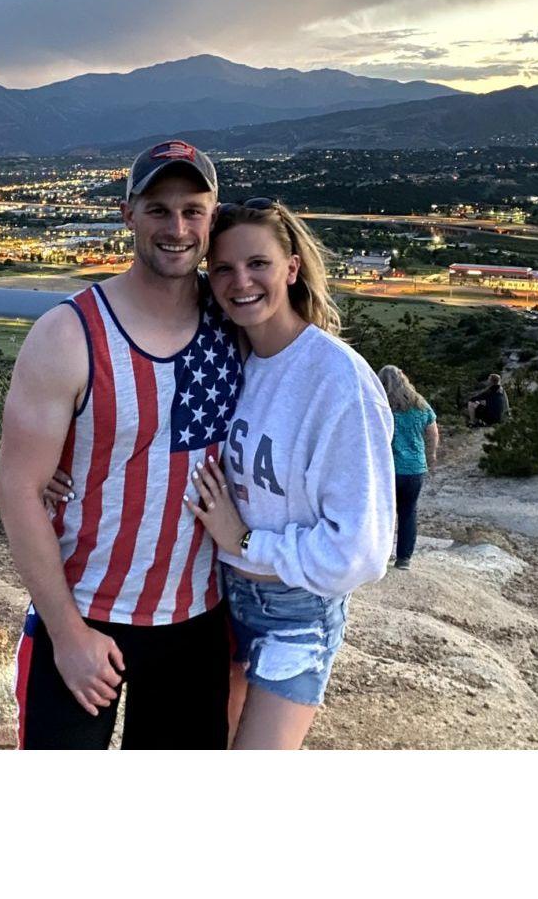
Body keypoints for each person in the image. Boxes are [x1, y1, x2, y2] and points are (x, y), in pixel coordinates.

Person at [0, 139, 241, 750]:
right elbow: (19, 489)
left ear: (212, 217)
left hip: (198, 618)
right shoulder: (68, 334)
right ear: (127, 214)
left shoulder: (237, 320)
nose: (177, 228)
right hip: (84, 610)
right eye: (158, 209)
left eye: (192, 210)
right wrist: (67, 634)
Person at [182, 199, 395, 750]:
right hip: (221, 599)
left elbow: (361, 552)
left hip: (295, 613)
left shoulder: (337, 380)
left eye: (258, 264)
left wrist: (245, 541)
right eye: (223, 268)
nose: (241, 282)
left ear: (292, 268)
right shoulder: (231, 363)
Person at [377, 365, 438, 570]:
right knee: (408, 511)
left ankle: (380, 555)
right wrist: (431, 455)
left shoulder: (380, 406)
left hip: (388, 469)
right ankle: (404, 558)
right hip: (415, 468)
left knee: (384, 512)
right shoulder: (420, 404)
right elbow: (433, 433)